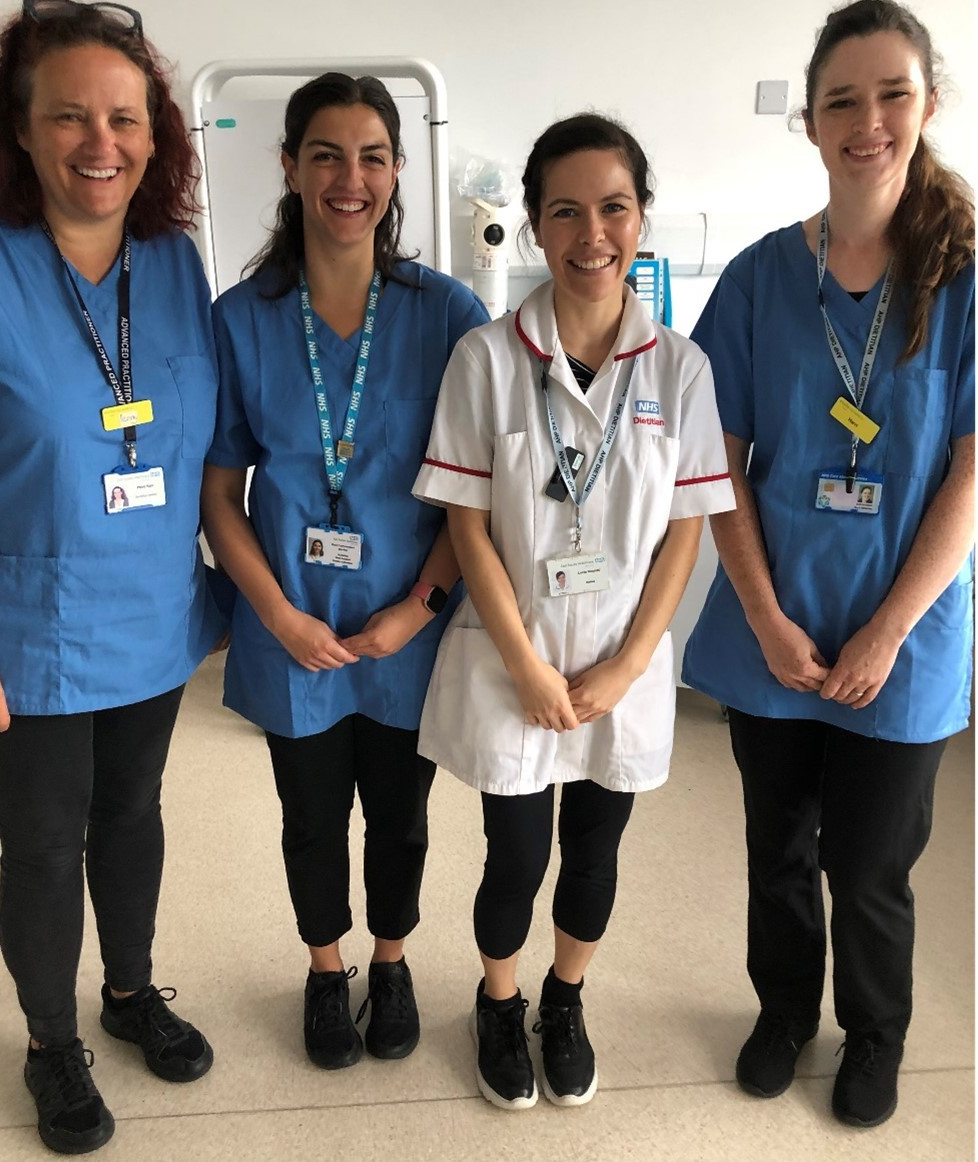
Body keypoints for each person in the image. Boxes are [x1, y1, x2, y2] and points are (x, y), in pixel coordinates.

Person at [0, 1, 224, 1154]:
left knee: (132, 814)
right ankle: (51, 1041)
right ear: (20, 127)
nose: (101, 142)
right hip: (15, 631)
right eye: (70, 116)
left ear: (155, 135)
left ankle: (128, 993)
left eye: (125, 118)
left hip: (150, 616)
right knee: (42, 846)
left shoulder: (172, 261)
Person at [681, 0, 973, 1130]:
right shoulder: (760, 280)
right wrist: (762, 617)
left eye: (891, 94)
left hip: (903, 638)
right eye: (841, 101)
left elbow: (969, 475)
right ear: (808, 122)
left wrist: (887, 630)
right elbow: (718, 462)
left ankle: (874, 1033)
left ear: (927, 105)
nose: (867, 122)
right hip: (776, 630)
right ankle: (782, 1013)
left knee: (869, 864)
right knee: (776, 848)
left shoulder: (961, 277)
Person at [413, 114, 734, 1110]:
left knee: (595, 849)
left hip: (619, 666)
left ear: (641, 218)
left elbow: (684, 533)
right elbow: (467, 525)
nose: (591, 234)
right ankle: (498, 1000)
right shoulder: (484, 357)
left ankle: (564, 998)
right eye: (565, 211)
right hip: (512, 658)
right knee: (513, 855)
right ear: (534, 224)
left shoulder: (679, 368)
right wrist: (524, 663)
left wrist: (628, 665)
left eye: (613, 208)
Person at [200, 73, 490, 1071]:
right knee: (310, 818)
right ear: (290, 167)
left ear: (397, 170)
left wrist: (420, 606)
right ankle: (327, 968)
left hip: (406, 626)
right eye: (325, 155)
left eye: (371, 156)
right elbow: (218, 495)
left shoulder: (446, 314)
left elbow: (473, 496)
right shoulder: (242, 318)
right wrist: (278, 616)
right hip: (293, 628)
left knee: (401, 819)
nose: (348, 178)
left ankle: (391, 960)